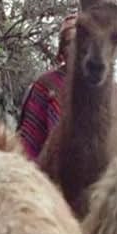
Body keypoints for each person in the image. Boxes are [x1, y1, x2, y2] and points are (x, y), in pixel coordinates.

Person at [17, 14, 76, 160]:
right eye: (69, 43)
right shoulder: (46, 83)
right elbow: (27, 137)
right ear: (62, 51)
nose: (75, 49)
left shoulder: (92, 96)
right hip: (30, 165)